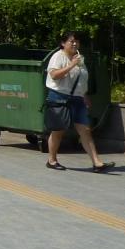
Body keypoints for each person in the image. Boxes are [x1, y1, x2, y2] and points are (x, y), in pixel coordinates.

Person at [45, 32, 114, 172]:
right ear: (63, 43)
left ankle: (97, 163)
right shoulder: (58, 56)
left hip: (77, 98)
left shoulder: (79, 57)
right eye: (71, 41)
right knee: (58, 130)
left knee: (85, 130)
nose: (75, 44)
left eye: (77, 41)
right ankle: (52, 160)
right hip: (60, 96)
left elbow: (81, 79)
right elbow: (54, 75)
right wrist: (71, 65)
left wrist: (84, 94)